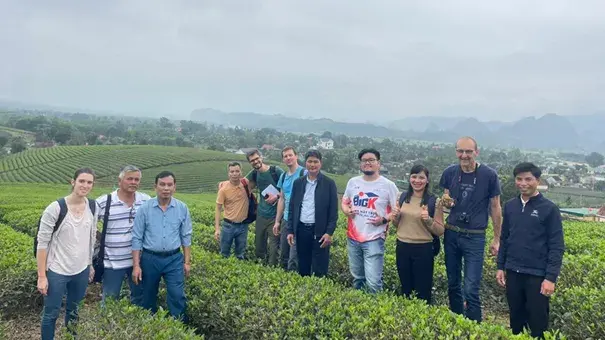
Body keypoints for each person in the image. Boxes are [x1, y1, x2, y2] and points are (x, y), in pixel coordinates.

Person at [496, 162, 564, 338]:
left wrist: (550, 278)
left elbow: (556, 246)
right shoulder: (510, 206)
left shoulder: (549, 209)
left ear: (537, 180)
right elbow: (505, 238)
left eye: (528, 179)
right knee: (516, 321)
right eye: (519, 179)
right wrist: (500, 266)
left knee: (538, 323)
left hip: (537, 275)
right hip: (513, 271)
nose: (523, 183)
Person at [439, 136, 502, 322]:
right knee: (452, 283)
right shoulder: (449, 172)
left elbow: (496, 207)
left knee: (471, 288)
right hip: (451, 232)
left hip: (475, 237)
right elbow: (445, 199)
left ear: (476, 152)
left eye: (468, 151)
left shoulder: (489, 175)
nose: (464, 155)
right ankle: (457, 321)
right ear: (456, 152)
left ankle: (474, 326)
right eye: (460, 151)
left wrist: (497, 238)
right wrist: (446, 203)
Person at [36, 168, 99, 340]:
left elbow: (91, 237)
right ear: (73, 182)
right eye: (81, 181)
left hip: (80, 270)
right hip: (57, 270)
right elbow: (42, 244)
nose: (85, 185)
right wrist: (42, 276)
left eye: (89, 182)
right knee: (51, 313)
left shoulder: (93, 206)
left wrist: (89, 264)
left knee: (74, 311)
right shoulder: (56, 208)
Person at [131, 171, 192, 322]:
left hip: (173, 259)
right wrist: (136, 265)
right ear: (155, 187)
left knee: (177, 295)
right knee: (148, 295)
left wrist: (187, 262)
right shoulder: (145, 209)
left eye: (169, 185)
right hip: (150, 259)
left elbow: (186, 236)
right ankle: (149, 327)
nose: (166, 188)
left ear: (174, 187)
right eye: (162, 184)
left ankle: (179, 327)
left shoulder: (182, 208)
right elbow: (137, 238)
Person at [341, 148, 399, 293]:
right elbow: (344, 202)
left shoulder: (388, 186)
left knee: (373, 283)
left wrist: (384, 219)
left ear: (378, 163)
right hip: (353, 238)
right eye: (364, 161)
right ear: (361, 164)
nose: (367, 163)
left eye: (371, 160)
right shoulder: (353, 182)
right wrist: (347, 211)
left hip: (374, 239)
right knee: (358, 278)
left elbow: (397, 211)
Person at [96, 165, 150, 305]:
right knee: (109, 300)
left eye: (136, 179)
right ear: (120, 181)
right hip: (112, 262)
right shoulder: (104, 201)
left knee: (139, 299)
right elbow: (88, 224)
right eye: (129, 179)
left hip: (138, 261)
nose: (133, 182)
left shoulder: (146, 200)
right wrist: (100, 238)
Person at [392, 164, 445, 304]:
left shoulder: (434, 201)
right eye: (414, 177)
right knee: (405, 287)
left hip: (423, 249)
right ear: (409, 178)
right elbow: (397, 225)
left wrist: (428, 220)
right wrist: (395, 217)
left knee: (423, 290)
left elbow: (440, 230)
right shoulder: (402, 197)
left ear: (427, 180)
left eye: (421, 177)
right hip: (402, 247)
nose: (417, 180)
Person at [286, 150, 338, 277]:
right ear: (306, 163)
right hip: (302, 229)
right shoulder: (299, 183)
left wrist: (329, 232)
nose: (312, 165)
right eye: (310, 161)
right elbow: (292, 208)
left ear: (320, 164)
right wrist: (290, 231)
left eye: (315, 162)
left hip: (319, 232)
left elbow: (333, 212)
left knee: (320, 268)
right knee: (303, 265)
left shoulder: (329, 184)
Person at [245, 149, 284, 266]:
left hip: (275, 216)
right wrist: (225, 183)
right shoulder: (254, 173)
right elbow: (241, 182)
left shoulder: (275, 171)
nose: (255, 162)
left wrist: (277, 196)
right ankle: (260, 270)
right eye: (252, 160)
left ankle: (272, 271)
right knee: (259, 247)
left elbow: (288, 187)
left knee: (273, 249)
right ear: (250, 162)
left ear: (261, 157)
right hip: (261, 215)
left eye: (257, 158)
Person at [273, 146, 306, 271]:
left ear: (296, 156)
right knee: (284, 254)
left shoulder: (304, 173)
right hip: (286, 220)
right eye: (285, 156)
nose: (288, 158)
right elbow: (281, 199)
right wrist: (277, 221)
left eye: (290, 155)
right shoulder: (283, 176)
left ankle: (293, 281)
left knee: (294, 257)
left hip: (300, 220)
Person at [215, 162, 250, 259]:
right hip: (228, 226)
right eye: (232, 171)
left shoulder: (246, 184)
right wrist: (217, 228)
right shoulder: (223, 189)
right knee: (224, 254)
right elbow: (218, 209)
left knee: (240, 254)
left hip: (243, 226)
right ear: (228, 174)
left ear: (241, 173)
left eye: (237, 171)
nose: (234, 174)